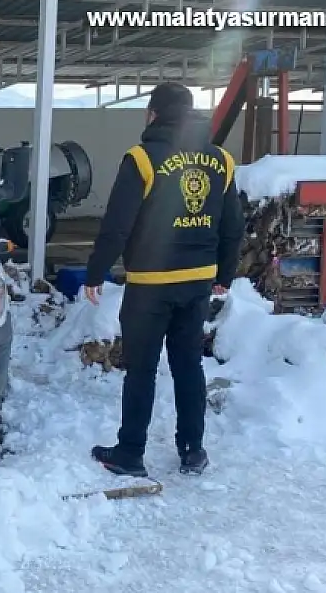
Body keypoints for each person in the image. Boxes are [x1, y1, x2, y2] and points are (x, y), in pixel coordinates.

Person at [82, 82, 244, 477]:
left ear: (153, 114)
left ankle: (130, 453)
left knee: (141, 368)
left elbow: (117, 225)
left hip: (150, 284)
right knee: (189, 365)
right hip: (198, 283)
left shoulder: (142, 158)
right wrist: (225, 272)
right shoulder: (220, 160)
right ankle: (193, 450)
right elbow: (233, 226)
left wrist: (95, 272)